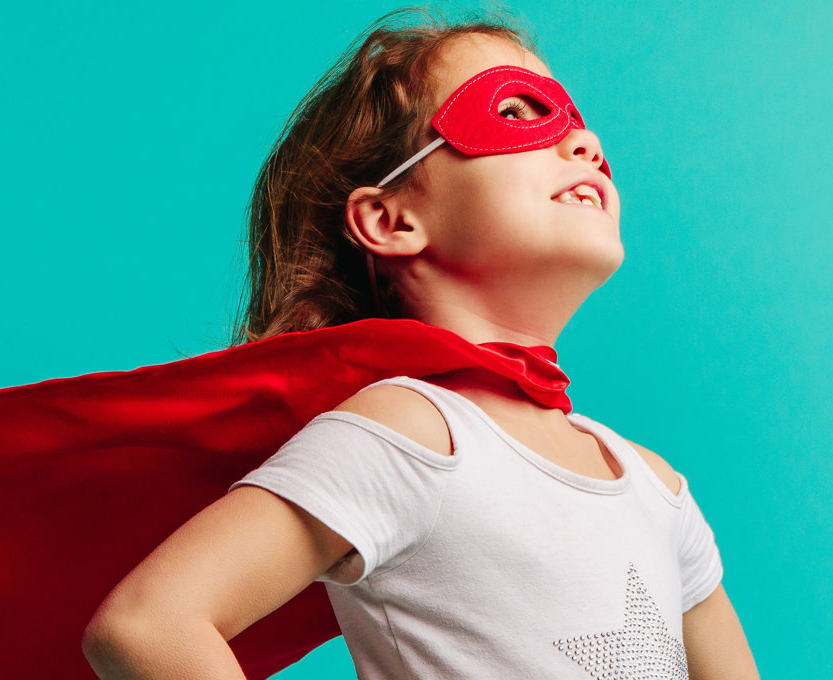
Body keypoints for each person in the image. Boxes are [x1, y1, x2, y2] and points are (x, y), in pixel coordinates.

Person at [81, 7, 759, 680]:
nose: (585, 142)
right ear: (390, 218)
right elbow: (147, 626)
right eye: (517, 113)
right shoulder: (410, 435)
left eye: (576, 121)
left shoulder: (657, 487)